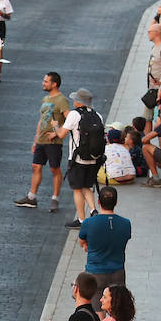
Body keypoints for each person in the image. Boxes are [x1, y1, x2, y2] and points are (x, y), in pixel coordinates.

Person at [14, 72, 71, 211]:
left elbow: (70, 120)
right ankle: (31, 197)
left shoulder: (61, 100)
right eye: (44, 81)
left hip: (54, 143)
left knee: (54, 169)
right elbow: (42, 120)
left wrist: (57, 133)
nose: (43, 83)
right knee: (36, 167)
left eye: (46, 81)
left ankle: (55, 199)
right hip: (41, 140)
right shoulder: (45, 99)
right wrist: (35, 140)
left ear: (54, 84)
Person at [54, 87, 103, 228]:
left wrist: (55, 126)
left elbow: (62, 134)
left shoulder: (74, 115)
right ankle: (93, 210)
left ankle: (81, 220)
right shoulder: (97, 115)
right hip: (93, 158)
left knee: (77, 189)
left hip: (77, 158)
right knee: (86, 186)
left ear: (79, 101)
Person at [78, 186, 132, 298]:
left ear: (98, 201)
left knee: (97, 308)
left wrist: (88, 245)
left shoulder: (88, 223)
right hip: (118, 271)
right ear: (116, 202)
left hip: (95, 272)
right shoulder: (126, 223)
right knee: (116, 306)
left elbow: (81, 242)